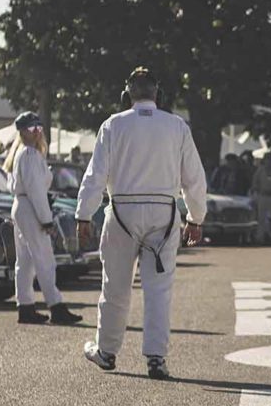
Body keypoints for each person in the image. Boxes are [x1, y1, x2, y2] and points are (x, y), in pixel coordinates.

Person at [76, 67, 207, 380]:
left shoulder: (113, 125)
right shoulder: (176, 126)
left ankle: (106, 351)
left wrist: (83, 214)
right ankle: (156, 358)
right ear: (157, 94)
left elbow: (96, 175)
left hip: (121, 212)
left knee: (115, 286)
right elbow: (194, 178)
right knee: (158, 290)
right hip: (163, 214)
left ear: (127, 94)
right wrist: (195, 218)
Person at [5, 112, 81, 326]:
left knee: (26, 261)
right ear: (22, 132)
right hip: (30, 207)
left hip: (21, 206)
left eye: (39, 128)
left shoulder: (20, 153)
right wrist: (46, 220)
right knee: (44, 259)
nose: (36, 133)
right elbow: (36, 190)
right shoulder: (29, 154)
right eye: (31, 129)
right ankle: (56, 306)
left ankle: (26, 306)